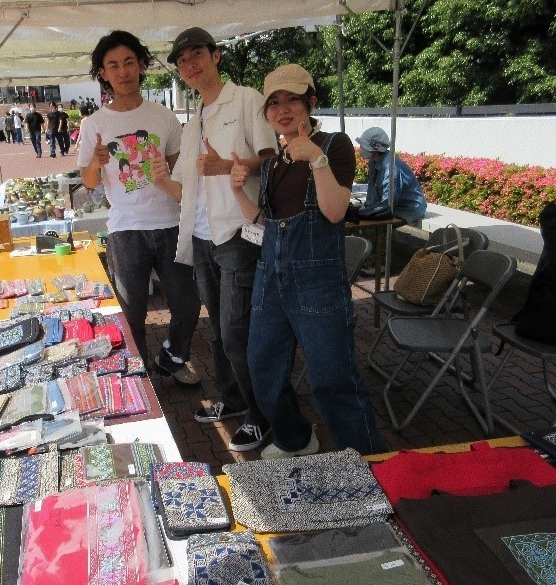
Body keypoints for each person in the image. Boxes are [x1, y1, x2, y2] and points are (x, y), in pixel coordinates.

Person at [229, 64, 385, 457]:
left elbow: (334, 212)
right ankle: (295, 437)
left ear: (311, 103)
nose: (283, 109)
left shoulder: (334, 145)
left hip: (318, 283)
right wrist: (237, 191)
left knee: (333, 379)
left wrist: (316, 159)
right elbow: (264, 223)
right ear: (266, 112)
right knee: (262, 366)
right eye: (274, 103)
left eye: (293, 100)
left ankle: (369, 461)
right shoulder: (274, 162)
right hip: (270, 276)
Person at [151, 27, 278, 451]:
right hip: (202, 238)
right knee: (222, 331)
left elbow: (270, 160)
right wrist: (160, 180)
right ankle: (234, 398)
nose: (190, 65)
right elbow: (186, 190)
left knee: (237, 331)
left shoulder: (245, 100)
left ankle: (263, 416)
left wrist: (230, 167)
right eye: (182, 60)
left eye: (196, 55)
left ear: (216, 56)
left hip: (239, 233)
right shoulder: (193, 124)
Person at [78, 30, 201, 386]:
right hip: (126, 229)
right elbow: (89, 182)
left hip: (171, 224)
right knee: (132, 312)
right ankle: (140, 370)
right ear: (103, 73)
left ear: (142, 65)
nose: (123, 71)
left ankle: (172, 358)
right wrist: (97, 162)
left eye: (129, 62)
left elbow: (181, 171)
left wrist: (171, 177)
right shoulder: (94, 124)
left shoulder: (164, 117)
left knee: (188, 305)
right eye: (113, 65)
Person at [355, 127, 427, 224]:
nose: (360, 149)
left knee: (374, 225)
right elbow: (371, 191)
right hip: (394, 207)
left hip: (409, 209)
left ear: (372, 149)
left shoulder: (391, 168)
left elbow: (388, 203)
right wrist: (366, 209)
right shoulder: (373, 162)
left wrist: (369, 214)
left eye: (363, 146)